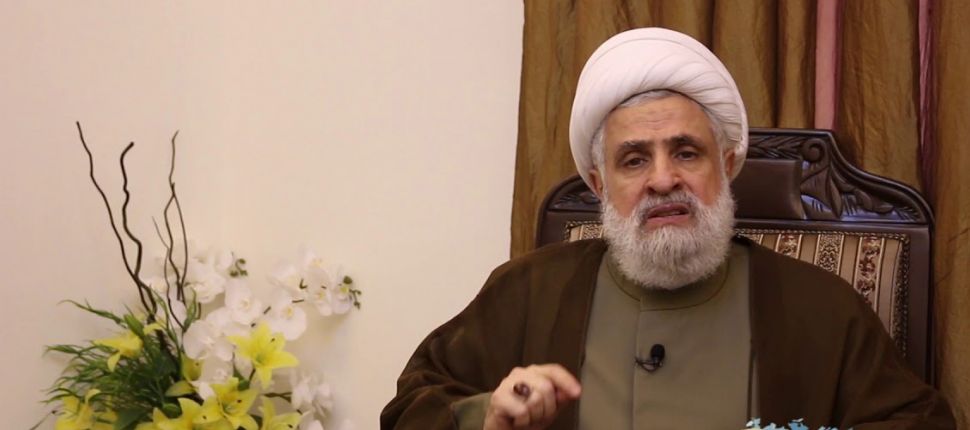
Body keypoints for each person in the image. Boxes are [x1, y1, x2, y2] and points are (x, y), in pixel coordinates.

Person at [381, 28, 955, 430]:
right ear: (599, 185)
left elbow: (917, 421)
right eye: (634, 160)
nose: (663, 180)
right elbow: (410, 407)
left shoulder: (822, 306)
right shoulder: (527, 291)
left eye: (686, 152)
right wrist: (485, 416)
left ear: (726, 165)